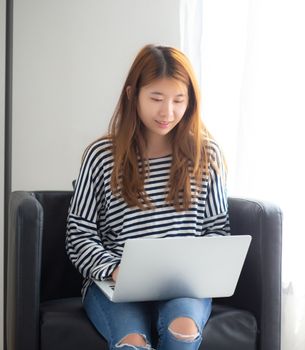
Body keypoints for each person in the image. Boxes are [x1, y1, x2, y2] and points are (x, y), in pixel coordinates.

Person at [65, 44, 230, 350]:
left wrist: (199, 269)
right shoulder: (102, 156)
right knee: (132, 343)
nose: (168, 112)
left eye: (178, 100)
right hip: (115, 284)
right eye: (156, 98)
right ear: (132, 95)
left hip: (184, 288)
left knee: (182, 331)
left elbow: (217, 230)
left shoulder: (205, 155)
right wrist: (115, 268)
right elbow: (79, 234)